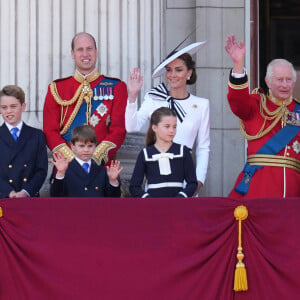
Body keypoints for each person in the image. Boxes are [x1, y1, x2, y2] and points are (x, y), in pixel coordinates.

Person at [125, 41, 210, 195]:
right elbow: (132, 127)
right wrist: (132, 97)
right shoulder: (154, 98)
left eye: (179, 70)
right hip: (155, 176)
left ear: (189, 72)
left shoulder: (202, 105)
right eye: (169, 70)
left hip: (185, 177)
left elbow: (203, 147)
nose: (172, 75)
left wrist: (198, 181)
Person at [225, 34, 300, 198]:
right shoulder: (257, 104)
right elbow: (238, 102)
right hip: (258, 190)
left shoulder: (298, 111)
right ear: (268, 81)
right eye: (280, 79)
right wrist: (238, 65)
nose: (285, 85)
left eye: (289, 80)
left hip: (293, 194)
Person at [43, 32, 127, 168]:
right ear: (72, 54)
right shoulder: (57, 88)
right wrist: (72, 161)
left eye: (89, 49)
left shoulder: (117, 87)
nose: (85, 54)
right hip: (67, 168)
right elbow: (50, 131)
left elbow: (118, 130)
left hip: (102, 169)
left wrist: (94, 159)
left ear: (96, 51)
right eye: (80, 49)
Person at [129, 107, 197, 198]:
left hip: (178, 207)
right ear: (155, 128)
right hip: (153, 208)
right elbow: (134, 186)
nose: (172, 131)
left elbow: (192, 183)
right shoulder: (145, 154)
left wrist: (181, 197)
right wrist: (148, 199)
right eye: (167, 126)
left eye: (174, 127)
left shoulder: (183, 151)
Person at [0, 85, 48, 198]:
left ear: (23, 106)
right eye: (4, 107)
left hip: (29, 198)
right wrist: (9, 192)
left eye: (13, 106)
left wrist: (26, 192)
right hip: (3, 198)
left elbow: (41, 170)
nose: (9, 111)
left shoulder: (37, 135)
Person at [50, 125, 122, 197]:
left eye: (90, 146)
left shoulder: (102, 171)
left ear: (95, 147)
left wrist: (113, 182)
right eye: (81, 146)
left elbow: (112, 201)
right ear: (72, 146)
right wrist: (60, 175)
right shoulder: (65, 170)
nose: (86, 150)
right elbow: (55, 198)